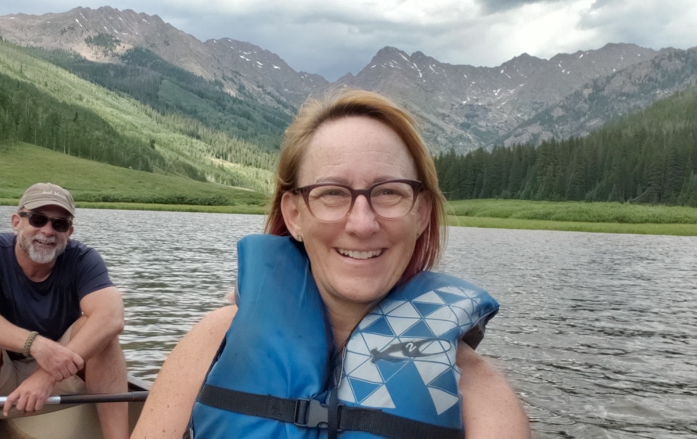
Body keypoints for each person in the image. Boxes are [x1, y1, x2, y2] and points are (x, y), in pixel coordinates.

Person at [132, 90, 531, 438]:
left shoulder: (480, 396)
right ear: (294, 215)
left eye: (389, 192)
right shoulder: (213, 342)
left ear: (422, 213)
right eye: (331, 194)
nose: (362, 224)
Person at [0, 182, 129, 439]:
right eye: (38, 219)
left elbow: (111, 317)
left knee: (104, 336)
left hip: (60, 370)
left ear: (70, 231)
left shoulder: (84, 259)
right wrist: (36, 345)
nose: (47, 231)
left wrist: (47, 375)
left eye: (59, 224)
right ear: (16, 222)